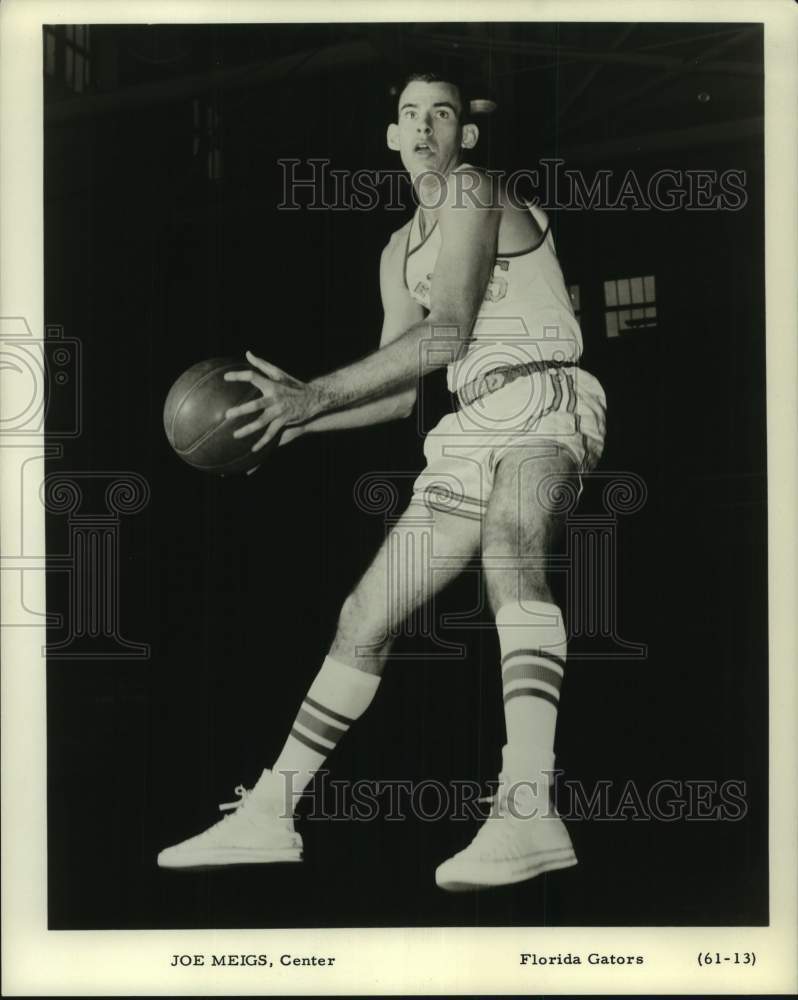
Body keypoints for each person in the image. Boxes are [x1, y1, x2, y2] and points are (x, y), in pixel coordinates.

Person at [158, 71, 607, 891]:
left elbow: (450, 333)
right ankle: (270, 813)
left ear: (464, 136)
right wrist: (289, 423)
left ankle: (529, 805)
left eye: (443, 113)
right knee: (364, 614)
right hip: (468, 423)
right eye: (410, 115)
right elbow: (403, 390)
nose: (427, 126)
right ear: (392, 138)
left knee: (512, 553)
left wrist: (311, 393)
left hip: (543, 391)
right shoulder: (397, 250)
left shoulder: (474, 190)